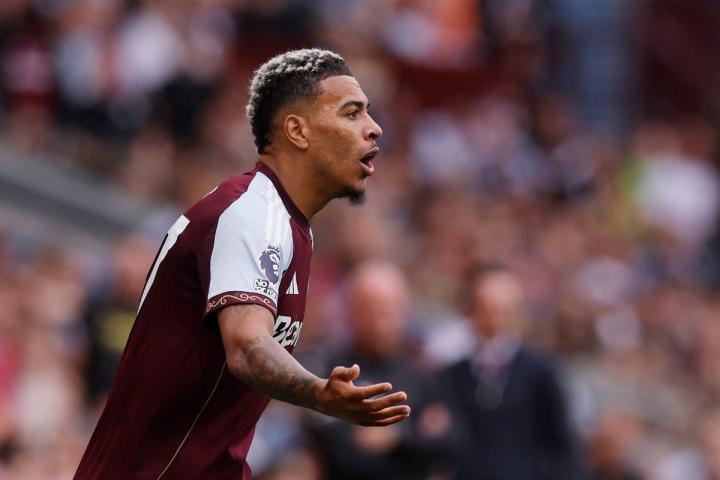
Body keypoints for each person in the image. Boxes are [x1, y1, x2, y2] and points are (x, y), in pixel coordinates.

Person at [74, 48, 411, 480]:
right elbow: (248, 348)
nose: (374, 127)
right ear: (297, 131)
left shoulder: (291, 226)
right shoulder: (253, 214)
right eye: (352, 113)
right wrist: (319, 394)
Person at [307, 260, 459, 480]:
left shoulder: (421, 372)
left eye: (392, 310)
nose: (384, 321)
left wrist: (399, 437)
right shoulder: (332, 370)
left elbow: (451, 443)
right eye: (372, 310)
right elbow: (338, 450)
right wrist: (418, 432)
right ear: (352, 312)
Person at [439, 264, 588, 480]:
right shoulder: (452, 376)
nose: (493, 318)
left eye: (502, 310)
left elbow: (563, 440)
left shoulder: (540, 371)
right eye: (484, 308)